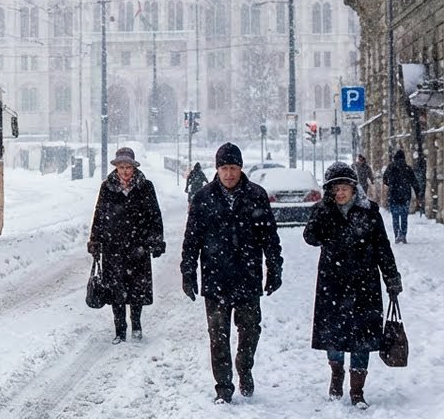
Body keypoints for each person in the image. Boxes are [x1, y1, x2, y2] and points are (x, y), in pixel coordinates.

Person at [181, 142, 283, 404]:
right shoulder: (203, 198)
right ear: (217, 169)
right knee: (218, 334)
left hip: (247, 276)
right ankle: (223, 387)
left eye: (233, 168)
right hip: (215, 278)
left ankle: (244, 365)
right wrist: (188, 272)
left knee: (250, 330)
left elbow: (269, 236)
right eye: (224, 168)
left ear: (240, 168)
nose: (229, 174)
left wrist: (274, 268)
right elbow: (192, 240)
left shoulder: (255, 195)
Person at [304, 161, 402, 409]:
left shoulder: (369, 212)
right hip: (332, 283)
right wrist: (321, 212)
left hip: (364, 284)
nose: (339, 193)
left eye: (344, 187)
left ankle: (357, 390)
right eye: (334, 189)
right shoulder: (323, 211)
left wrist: (391, 278)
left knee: (363, 338)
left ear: (353, 187)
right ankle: (337, 376)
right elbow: (310, 238)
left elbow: (383, 247)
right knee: (334, 335)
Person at [88, 147, 165, 344]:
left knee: (137, 289)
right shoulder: (107, 187)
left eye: (128, 167)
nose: (124, 171)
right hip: (113, 247)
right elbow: (99, 214)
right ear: (116, 168)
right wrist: (95, 240)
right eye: (121, 167)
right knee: (116, 290)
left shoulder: (145, 187)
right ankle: (120, 330)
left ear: (133, 167)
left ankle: (136, 324)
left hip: (137, 246)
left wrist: (155, 240)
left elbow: (154, 215)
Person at [382, 148, 414, 243]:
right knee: (404, 217)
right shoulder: (408, 168)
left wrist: (391, 185)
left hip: (393, 196)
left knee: (395, 217)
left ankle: (397, 235)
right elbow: (414, 182)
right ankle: (403, 235)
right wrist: (418, 193)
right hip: (405, 196)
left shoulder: (390, 167)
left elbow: (384, 179)